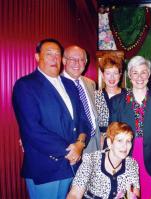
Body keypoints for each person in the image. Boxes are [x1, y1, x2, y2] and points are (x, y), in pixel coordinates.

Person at [12, 38, 90, 199]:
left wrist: (80, 144)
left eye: (58, 54)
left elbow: (82, 119)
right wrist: (69, 151)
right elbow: (32, 129)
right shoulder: (25, 85)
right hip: (46, 167)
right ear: (37, 57)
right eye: (49, 54)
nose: (55, 58)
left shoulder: (69, 85)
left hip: (73, 165)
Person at [110, 55, 151, 199]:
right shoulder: (117, 102)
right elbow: (112, 134)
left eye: (143, 72)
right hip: (125, 154)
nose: (139, 77)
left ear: (149, 74)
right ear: (129, 75)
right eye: (135, 73)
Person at [67, 122, 140, 199]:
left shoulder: (132, 164)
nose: (124, 146)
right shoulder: (92, 160)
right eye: (119, 140)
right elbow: (74, 195)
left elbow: (135, 195)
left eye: (128, 141)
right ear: (109, 142)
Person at [62, 45, 100, 153]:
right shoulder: (57, 85)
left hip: (95, 139)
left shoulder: (90, 83)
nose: (77, 63)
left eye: (81, 60)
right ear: (64, 61)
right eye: (72, 59)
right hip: (73, 144)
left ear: (86, 62)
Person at [94, 53, 126, 147]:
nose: (112, 77)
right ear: (103, 75)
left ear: (120, 75)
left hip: (124, 142)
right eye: (108, 73)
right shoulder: (94, 95)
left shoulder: (129, 95)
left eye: (115, 73)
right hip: (100, 142)